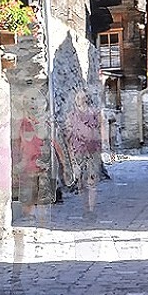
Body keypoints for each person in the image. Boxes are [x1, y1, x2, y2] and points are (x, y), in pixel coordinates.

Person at [63, 87, 105, 217]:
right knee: (81, 182)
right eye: (77, 97)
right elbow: (67, 134)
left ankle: (91, 210)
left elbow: (102, 128)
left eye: (81, 97)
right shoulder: (71, 116)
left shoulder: (95, 113)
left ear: (86, 98)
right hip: (78, 151)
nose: (78, 100)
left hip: (93, 151)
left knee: (91, 181)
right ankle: (86, 207)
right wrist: (69, 149)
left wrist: (104, 144)